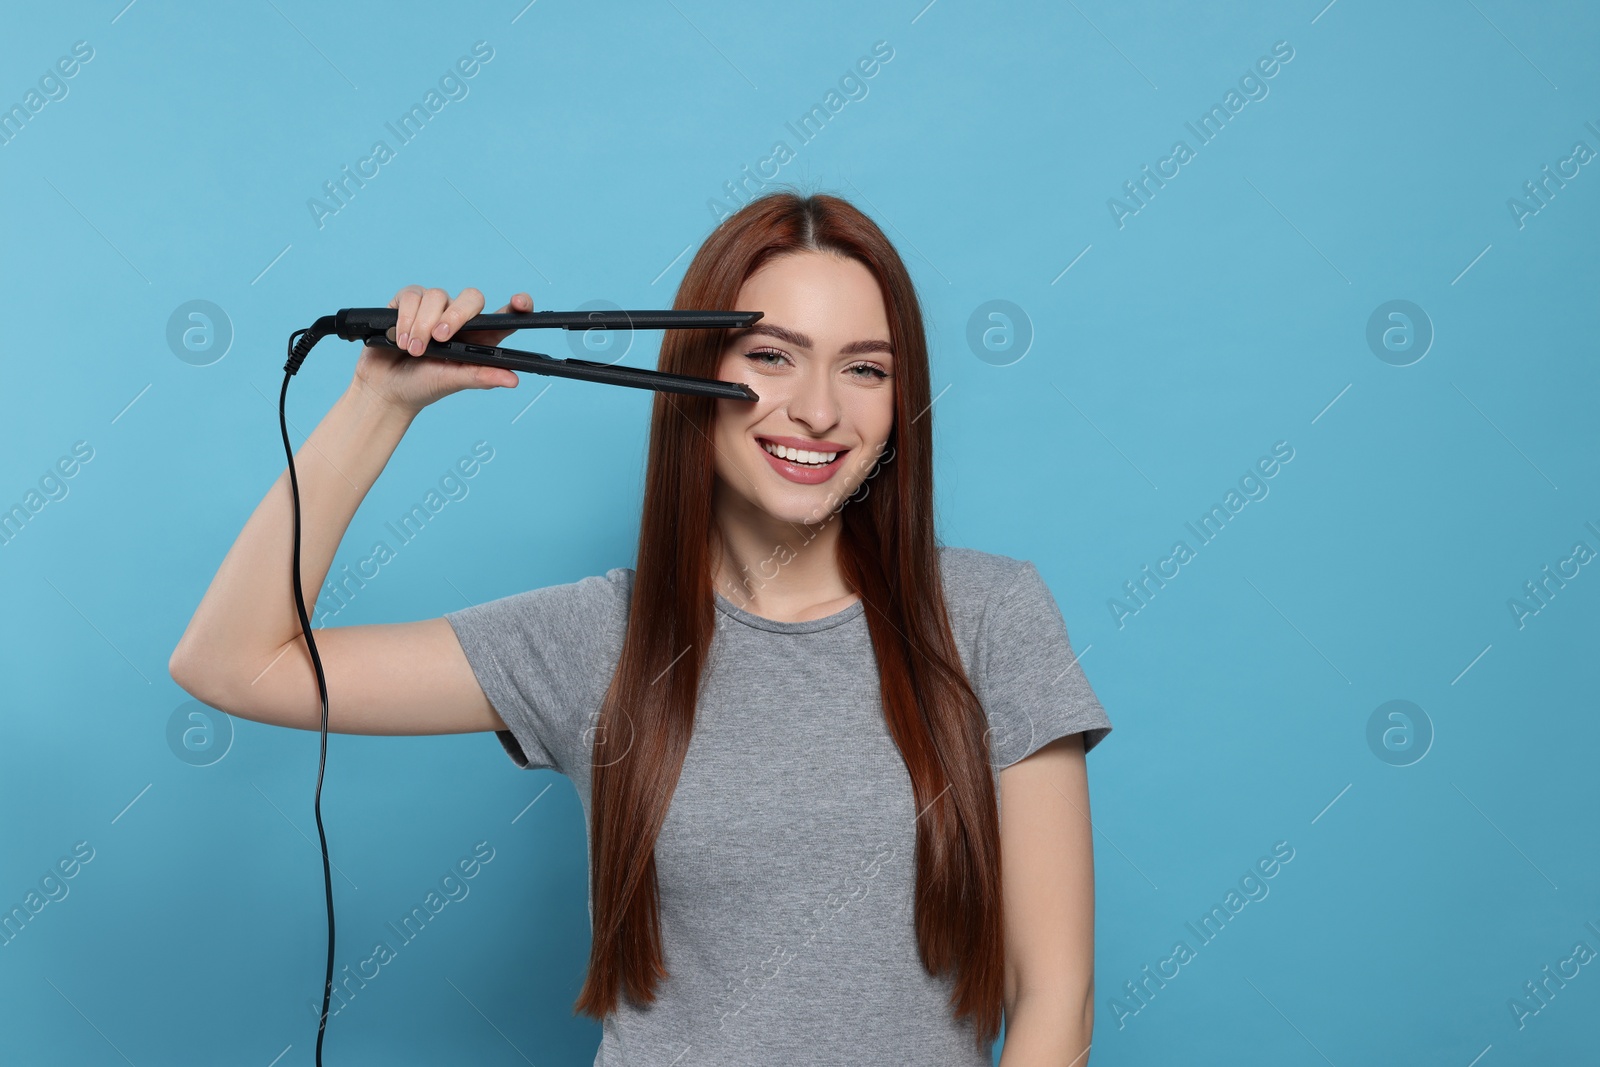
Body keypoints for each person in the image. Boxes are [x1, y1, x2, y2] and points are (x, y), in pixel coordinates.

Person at [169, 190, 1112, 1065]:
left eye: (864, 369)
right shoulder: (596, 639)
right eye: (773, 356)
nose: (820, 410)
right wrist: (376, 404)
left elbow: (1054, 996)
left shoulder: (989, 616)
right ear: (696, 370)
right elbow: (232, 664)